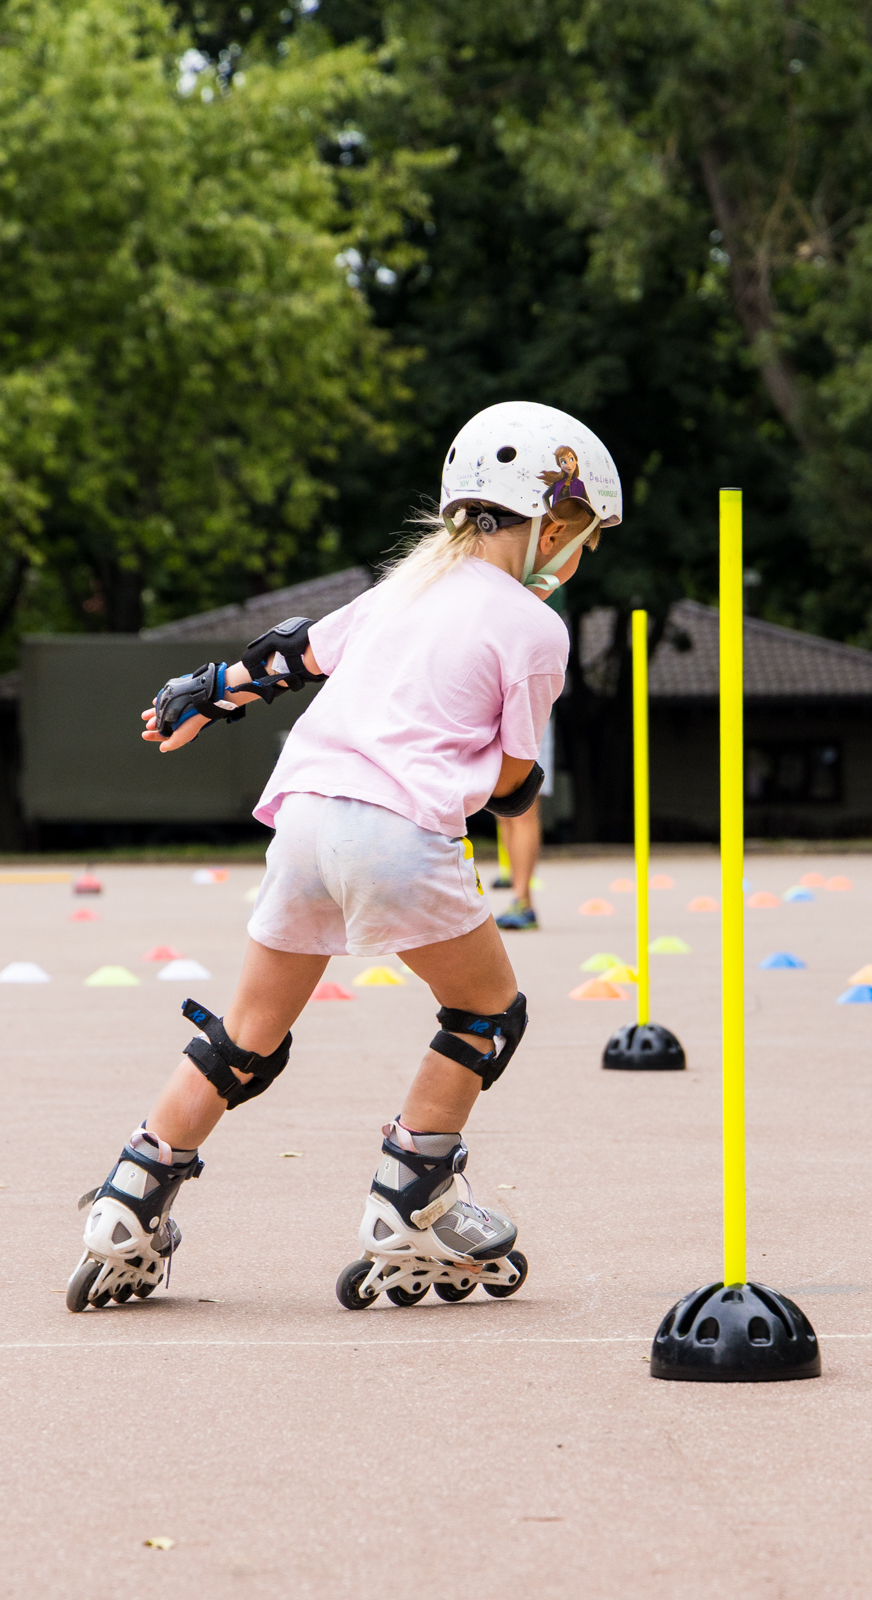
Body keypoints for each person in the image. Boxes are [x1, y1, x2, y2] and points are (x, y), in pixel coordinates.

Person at [66, 400, 623, 1314]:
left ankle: (128, 1205)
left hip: (304, 824)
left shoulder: (402, 587)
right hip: (399, 837)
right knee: (485, 1015)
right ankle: (414, 1202)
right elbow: (514, 779)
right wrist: (488, 780)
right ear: (551, 523)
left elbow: (285, 659)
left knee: (245, 1036)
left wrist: (200, 695)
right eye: (581, 540)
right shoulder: (535, 628)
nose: (577, 558)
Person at [494, 720, 552, 930]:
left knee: (522, 813)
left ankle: (522, 900)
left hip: (526, 716)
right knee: (504, 813)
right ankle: (522, 900)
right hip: (494, 715)